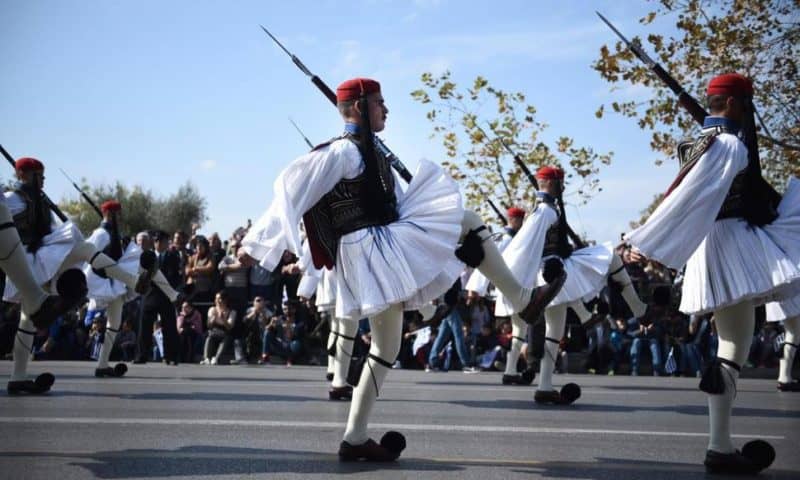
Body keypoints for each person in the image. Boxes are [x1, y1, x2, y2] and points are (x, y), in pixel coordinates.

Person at [239, 77, 562, 462]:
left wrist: (451, 245)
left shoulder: (369, 152)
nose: (386, 109)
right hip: (369, 249)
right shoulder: (342, 153)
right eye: (379, 103)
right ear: (359, 107)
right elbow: (290, 188)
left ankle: (355, 439)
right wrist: (257, 245)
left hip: (379, 244)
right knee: (467, 220)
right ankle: (522, 299)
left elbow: (399, 205)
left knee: (387, 348)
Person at [625, 73, 799, 474]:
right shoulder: (727, 144)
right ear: (737, 104)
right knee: (733, 346)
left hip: (716, 243)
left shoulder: (699, 141)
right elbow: (686, 193)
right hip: (730, 243)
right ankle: (719, 447)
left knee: (731, 344)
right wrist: (647, 236)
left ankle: (720, 444)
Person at [4, 158, 156, 394]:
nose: (43, 180)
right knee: (85, 250)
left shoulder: (39, 202)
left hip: (42, 260)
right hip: (26, 260)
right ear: (24, 176)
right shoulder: (15, 199)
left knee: (29, 320)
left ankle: (18, 376)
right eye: (38, 176)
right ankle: (135, 282)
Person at [86, 201, 178, 376]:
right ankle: (172, 294)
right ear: (109, 215)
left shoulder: (114, 233)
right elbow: (91, 258)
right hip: (106, 283)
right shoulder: (100, 234)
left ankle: (102, 365)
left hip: (117, 284)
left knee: (114, 324)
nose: (120, 217)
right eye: (117, 214)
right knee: (113, 324)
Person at [135, 231, 181, 365]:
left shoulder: (172, 256)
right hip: (149, 295)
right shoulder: (146, 256)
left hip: (166, 297)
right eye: (164, 241)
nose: (167, 244)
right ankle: (141, 355)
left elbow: (175, 276)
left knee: (169, 327)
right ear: (157, 242)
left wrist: (170, 290)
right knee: (144, 326)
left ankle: (170, 356)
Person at [201, 290, 236, 365]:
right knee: (209, 338)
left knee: (226, 339)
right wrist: (212, 321)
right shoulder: (212, 309)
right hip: (214, 332)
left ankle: (216, 358)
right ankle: (206, 358)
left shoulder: (232, 312)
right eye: (216, 298)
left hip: (225, 333)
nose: (217, 301)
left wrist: (223, 319)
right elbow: (208, 325)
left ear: (224, 300)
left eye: (219, 298)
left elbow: (229, 327)